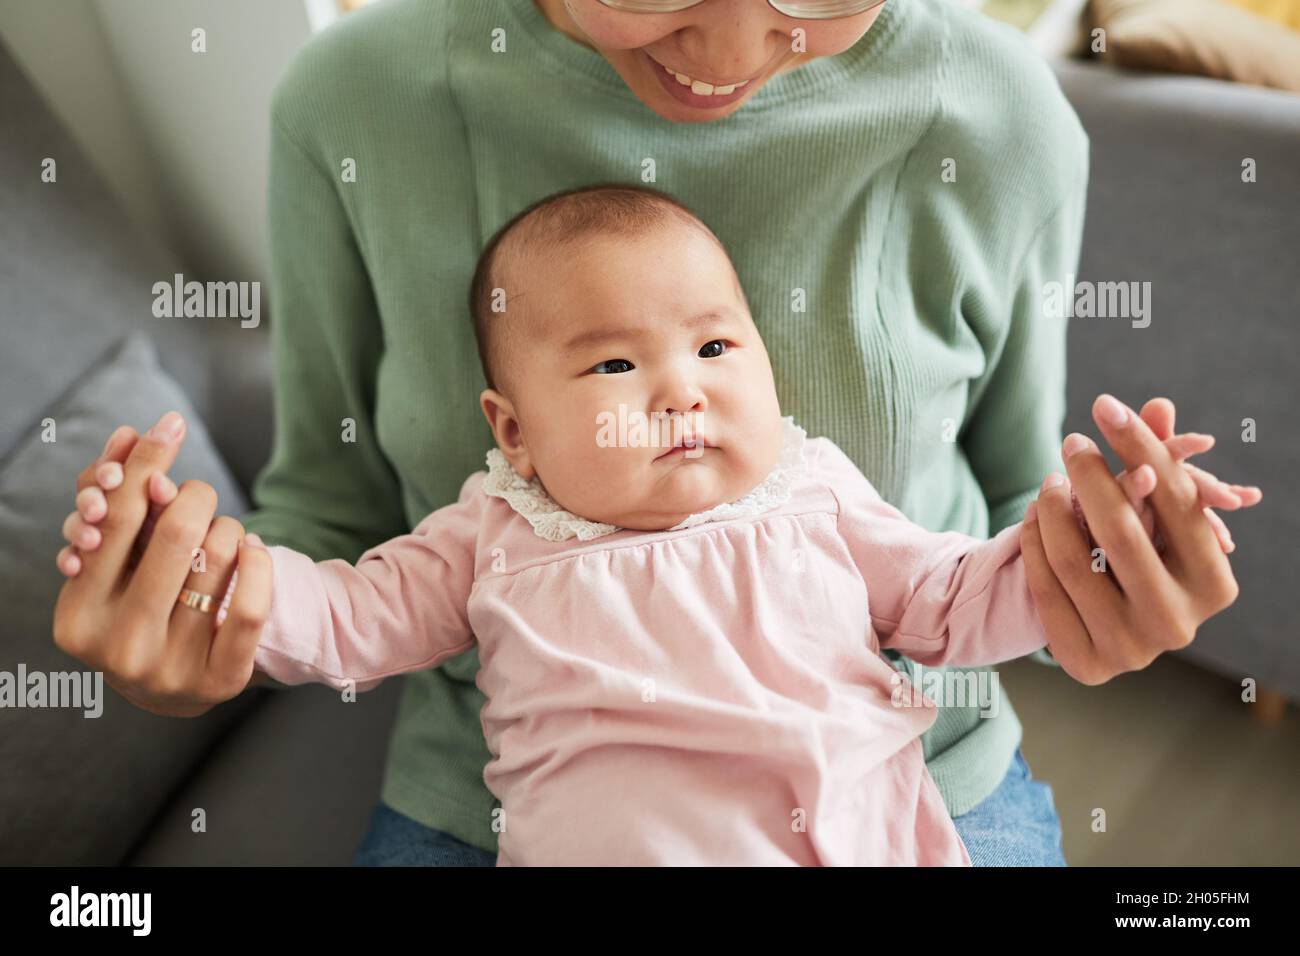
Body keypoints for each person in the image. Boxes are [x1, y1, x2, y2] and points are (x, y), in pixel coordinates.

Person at [52, 0, 1255, 865]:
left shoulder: (816, 479)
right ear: (509, 431)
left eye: (722, 349)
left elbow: (973, 567)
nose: (731, 49)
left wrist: (1090, 572)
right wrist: (216, 594)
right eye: (617, 363)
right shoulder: (491, 520)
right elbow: (343, 574)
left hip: (883, 803)